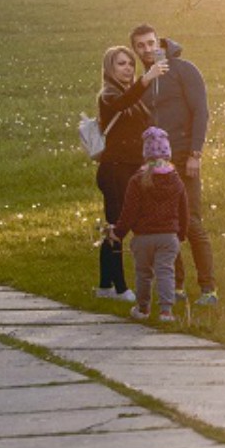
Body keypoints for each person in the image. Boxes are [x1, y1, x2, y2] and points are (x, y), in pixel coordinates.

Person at [130, 25, 212, 306]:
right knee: (167, 225)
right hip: (156, 164)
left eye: (150, 43)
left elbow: (201, 111)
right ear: (135, 49)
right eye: (140, 46)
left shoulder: (183, 69)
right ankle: (176, 287)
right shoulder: (144, 82)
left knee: (192, 223)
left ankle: (208, 289)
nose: (146, 49)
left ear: (160, 42)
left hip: (183, 156)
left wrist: (195, 153)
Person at [91, 46, 156, 302]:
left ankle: (105, 286)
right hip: (115, 170)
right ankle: (120, 288)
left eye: (130, 63)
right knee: (118, 226)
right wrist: (146, 80)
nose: (128, 67)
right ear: (110, 68)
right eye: (121, 63)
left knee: (115, 227)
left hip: (132, 169)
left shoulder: (131, 95)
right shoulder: (108, 95)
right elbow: (122, 104)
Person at [115, 127, 194, 323]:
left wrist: (119, 232)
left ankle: (143, 309)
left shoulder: (137, 180)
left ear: (145, 154)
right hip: (168, 237)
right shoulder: (176, 181)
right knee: (166, 271)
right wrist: (181, 234)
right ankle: (166, 312)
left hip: (142, 237)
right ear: (168, 153)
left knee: (143, 273)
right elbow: (184, 210)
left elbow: (129, 211)